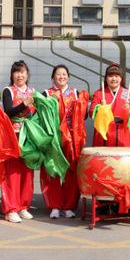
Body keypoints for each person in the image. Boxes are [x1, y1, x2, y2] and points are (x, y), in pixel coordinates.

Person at [1, 60, 37, 222]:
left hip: (29, 135)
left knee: (28, 172)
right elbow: (9, 112)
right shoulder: (8, 91)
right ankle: (11, 209)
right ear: (12, 75)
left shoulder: (33, 91)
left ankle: (23, 206)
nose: (19, 75)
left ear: (27, 74)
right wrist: (25, 103)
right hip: (13, 135)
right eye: (16, 72)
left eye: (22, 72)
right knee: (13, 172)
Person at [43, 65, 81, 219]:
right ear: (53, 77)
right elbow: (40, 114)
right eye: (58, 74)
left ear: (68, 77)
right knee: (52, 171)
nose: (61, 77)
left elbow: (83, 116)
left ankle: (69, 206)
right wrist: (51, 101)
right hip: (53, 138)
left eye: (64, 74)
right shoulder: (47, 93)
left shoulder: (75, 93)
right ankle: (54, 206)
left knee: (71, 172)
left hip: (71, 138)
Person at [89, 64, 130, 147]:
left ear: (121, 78)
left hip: (122, 131)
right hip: (104, 131)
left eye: (117, 76)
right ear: (106, 78)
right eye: (111, 76)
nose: (114, 79)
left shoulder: (128, 93)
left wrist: (128, 110)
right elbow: (91, 113)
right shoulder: (98, 93)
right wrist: (100, 108)